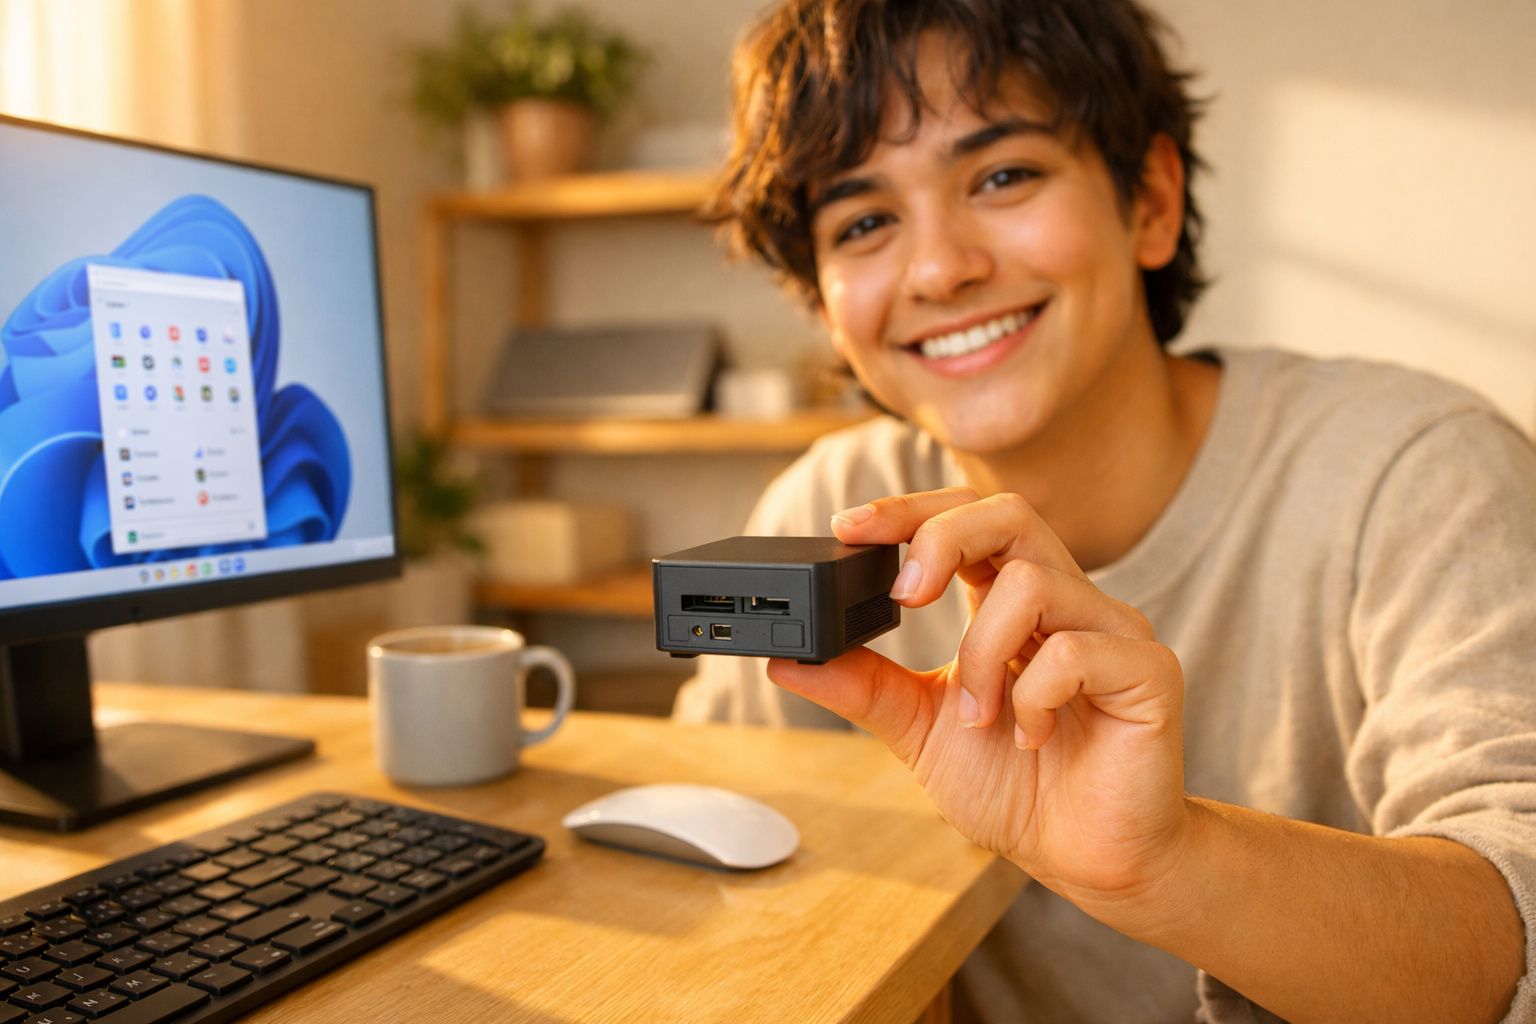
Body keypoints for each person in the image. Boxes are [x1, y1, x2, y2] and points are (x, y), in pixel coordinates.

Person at [671, 1, 1536, 1021]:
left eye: (1003, 176)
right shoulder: (831, 507)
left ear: (1152, 202)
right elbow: (722, 831)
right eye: (863, 222)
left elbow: (1508, 936)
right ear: (823, 305)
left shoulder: (1415, 472)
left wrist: (1169, 858)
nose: (941, 267)